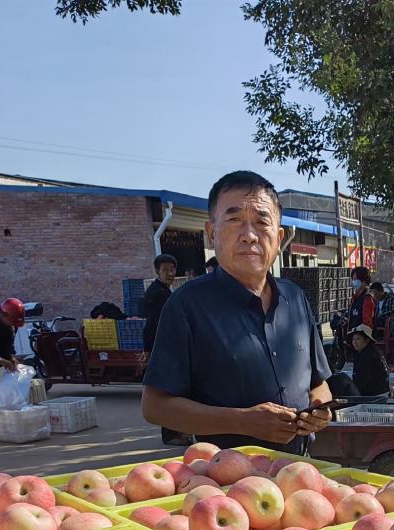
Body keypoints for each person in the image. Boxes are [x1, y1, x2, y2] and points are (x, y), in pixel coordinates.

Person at [141, 170, 332, 451]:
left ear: (278, 238)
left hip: (300, 472)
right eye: (234, 220)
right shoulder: (187, 306)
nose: (249, 236)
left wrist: (320, 410)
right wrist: (242, 421)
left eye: (261, 222)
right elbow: (155, 407)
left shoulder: (295, 298)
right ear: (211, 233)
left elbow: (319, 384)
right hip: (226, 483)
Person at [142, 254, 187, 445]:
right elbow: (152, 326)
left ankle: (176, 431)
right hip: (162, 350)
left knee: (175, 391)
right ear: (157, 271)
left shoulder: (165, 292)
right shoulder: (156, 295)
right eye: (165, 270)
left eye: (172, 269)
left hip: (169, 348)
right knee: (168, 393)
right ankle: (170, 434)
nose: (170, 273)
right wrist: (149, 350)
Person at [350, 324, 389, 396]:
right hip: (381, 392)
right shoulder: (371, 351)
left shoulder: (368, 355)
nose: (355, 342)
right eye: (353, 339)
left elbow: (362, 379)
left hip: (375, 395)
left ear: (367, 340)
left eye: (358, 339)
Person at [0, 298, 23, 371]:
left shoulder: (13, 323)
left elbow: (9, 342)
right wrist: (0, 360)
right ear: (3, 315)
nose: (13, 325)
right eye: (11, 322)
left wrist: (11, 356)